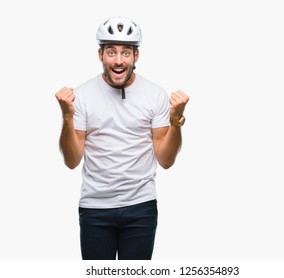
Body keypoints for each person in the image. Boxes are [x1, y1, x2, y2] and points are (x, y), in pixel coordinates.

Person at [55, 16, 189, 260]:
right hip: (95, 208)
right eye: (111, 52)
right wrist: (66, 117)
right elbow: (72, 161)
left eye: (125, 53)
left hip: (141, 207)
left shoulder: (155, 94)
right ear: (100, 55)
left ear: (136, 57)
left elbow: (166, 160)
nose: (118, 60)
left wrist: (175, 120)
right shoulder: (82, 95)